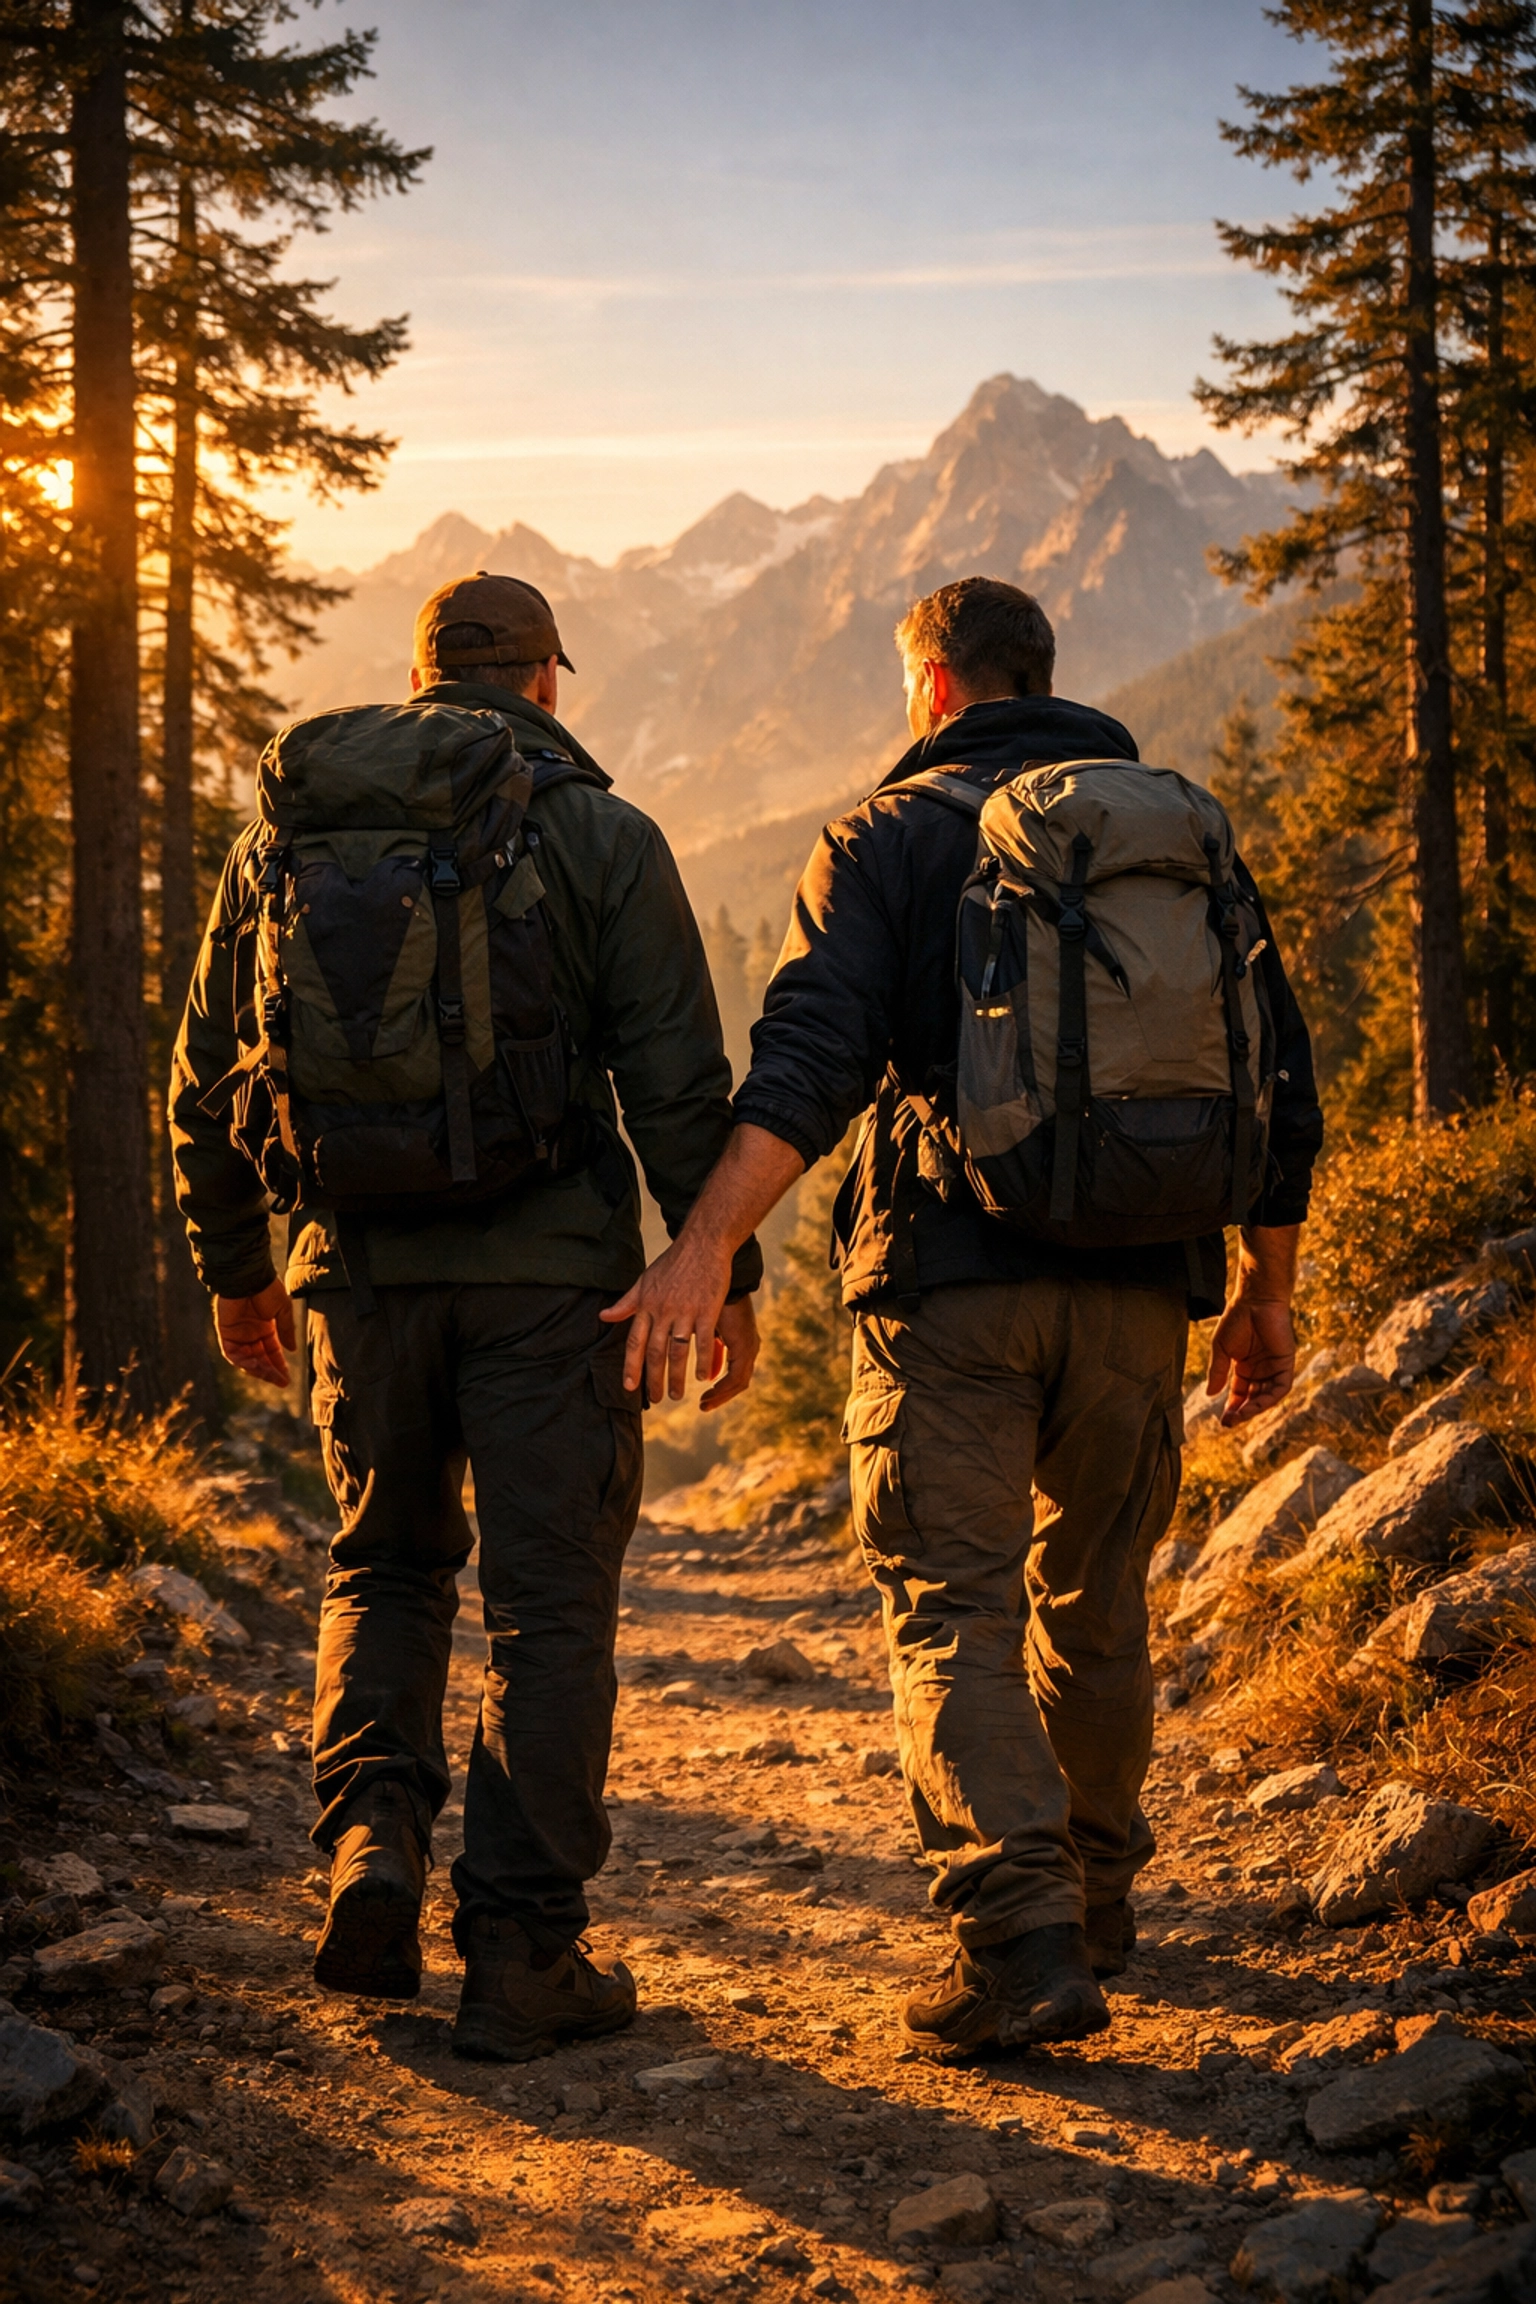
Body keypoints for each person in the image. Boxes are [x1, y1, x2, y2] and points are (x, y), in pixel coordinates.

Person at [603, 576, 1322, 2061]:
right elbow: (1280, 1082)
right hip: (1143, 1291)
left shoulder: (888, 833)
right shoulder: (1174, 834)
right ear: (1040, 676)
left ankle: (1021, 1940)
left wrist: (704, 1253)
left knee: (954, 1609)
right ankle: (1103, 1905)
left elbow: (812, 1058)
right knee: (1097, 1605)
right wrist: (1266, 1296)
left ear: (932, 688)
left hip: (950, 1297)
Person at [169, 571, 761, 2063]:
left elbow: (204, 1075)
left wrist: (241, 1269)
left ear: (428, 675)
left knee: (385, 1562)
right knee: (550, 1607)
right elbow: (676, 1083)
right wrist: (722, 1275)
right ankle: (520, 1952)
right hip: (551, 1285)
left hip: (355, 1278)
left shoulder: (288, 836)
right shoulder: (604, 834)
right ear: (546, 682)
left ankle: (371, 1845)